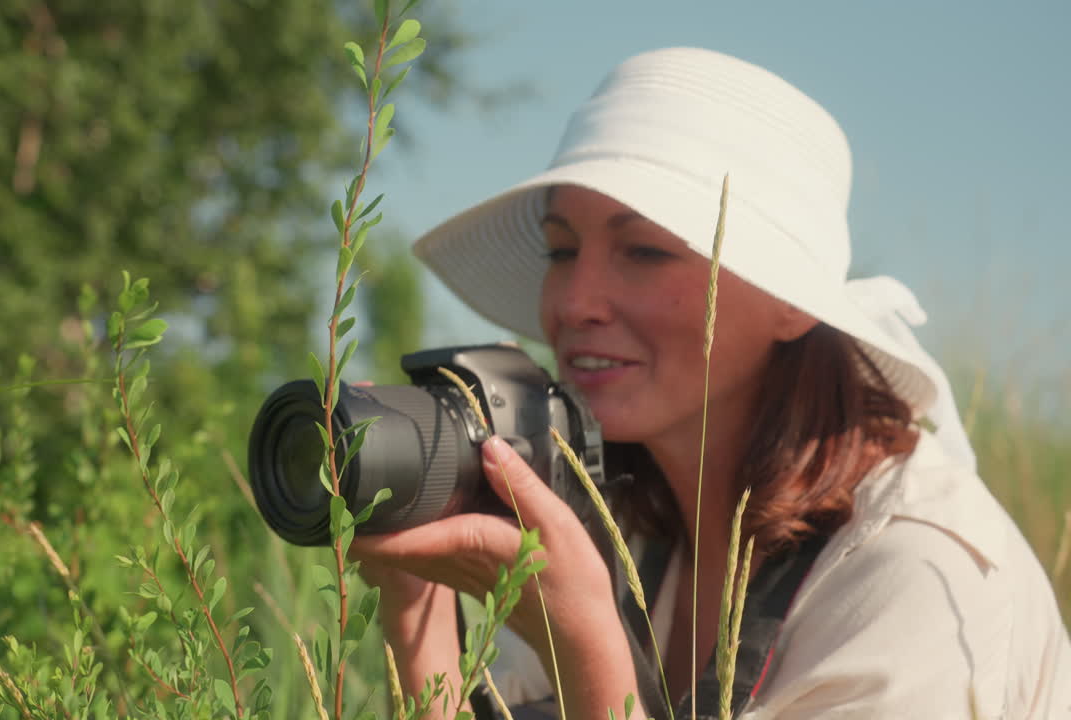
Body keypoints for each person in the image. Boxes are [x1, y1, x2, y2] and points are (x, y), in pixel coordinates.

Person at [348, 47, 1071, 719]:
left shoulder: (917, 574)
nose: (572, 303)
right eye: (562, 250)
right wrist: (417, 614)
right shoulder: (628, 526)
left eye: (644, 250)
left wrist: (585, 646)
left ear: (791, 303)